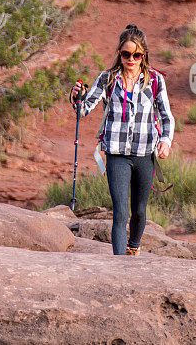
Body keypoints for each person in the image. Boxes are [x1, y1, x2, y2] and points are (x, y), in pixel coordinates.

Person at [70, 24, 175, 256]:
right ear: (119, 53)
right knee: (120, 212)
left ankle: (134, 246)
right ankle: (119, 266)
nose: (131, 59)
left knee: (138, 211)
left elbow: (167, 116)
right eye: (126, 54)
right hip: (117, 153)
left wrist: (166, 141)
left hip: (145, 154)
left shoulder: (155, 81)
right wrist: (77, 97)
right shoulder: (108, 79)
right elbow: (84, 110)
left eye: (136, 55)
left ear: (144, 55)